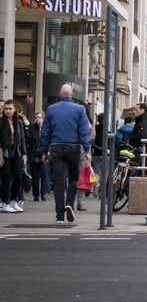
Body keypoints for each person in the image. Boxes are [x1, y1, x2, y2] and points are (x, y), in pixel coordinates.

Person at [40, 84, 91, 223]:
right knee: (74, 178)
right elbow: (84, 131)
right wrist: (87, 150)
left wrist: (44, 151)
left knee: (58, 182)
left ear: (59, 94)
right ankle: (69, 204)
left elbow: (45, 131)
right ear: (72, 95)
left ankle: (59, 217)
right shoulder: (79, 110)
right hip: (73, 147)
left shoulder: (51, 109)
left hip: (56, 148)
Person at [0, 100, 29, 213]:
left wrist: (24, 153)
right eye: (6, 109)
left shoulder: (19, 123)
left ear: (15, 110)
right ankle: (5, 202)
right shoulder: (1, 122)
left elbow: (22, 138)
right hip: (4, 153)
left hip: (16, 151)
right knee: (6, 178)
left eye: (10, 109)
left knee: (18, 177)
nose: (8, 111)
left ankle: (13, 201)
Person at [25, 111, 45, 202]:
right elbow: (28, 140)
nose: (37, 119)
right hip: (33, 155)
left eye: (39, 117)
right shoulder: (31, 128)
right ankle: (36, 195)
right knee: (35, 176)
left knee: (44, 175)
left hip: (43, 155)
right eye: (36, 117)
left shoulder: (47, 128)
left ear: (43, 118)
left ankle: (44, 193)